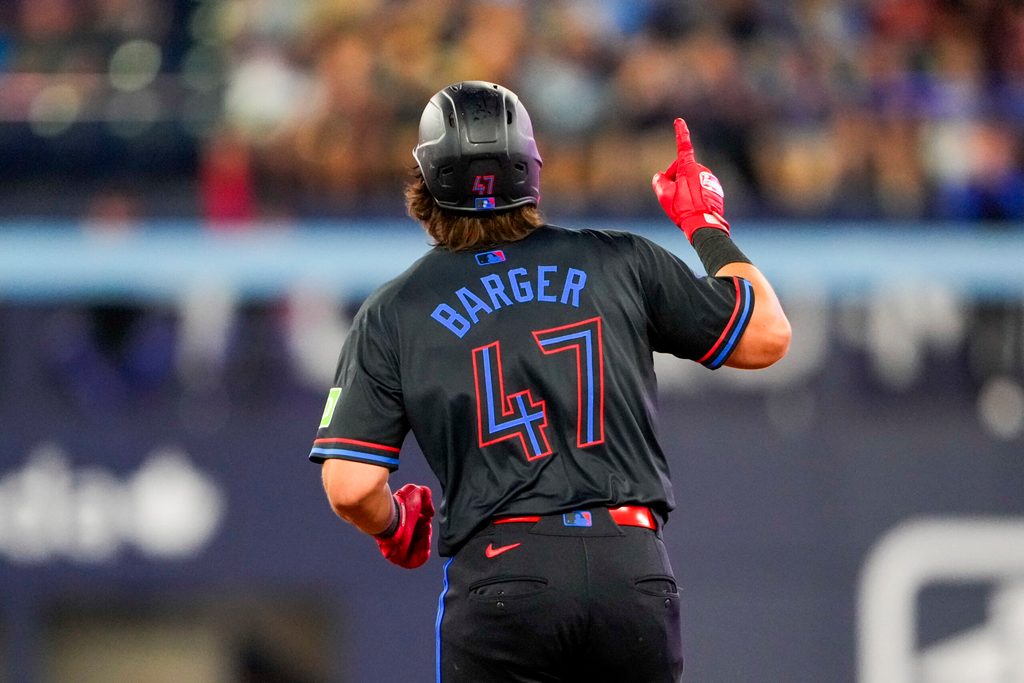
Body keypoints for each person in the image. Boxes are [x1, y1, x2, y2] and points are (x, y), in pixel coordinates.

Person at [309, 81, 791, 682]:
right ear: (531, 169)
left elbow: (352, 486)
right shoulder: (621, 261)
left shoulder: (395, 310)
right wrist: (705, 224)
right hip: (630, 566)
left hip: (504, 574)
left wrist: (396, 525)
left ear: (425, 178)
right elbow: (767, 335)